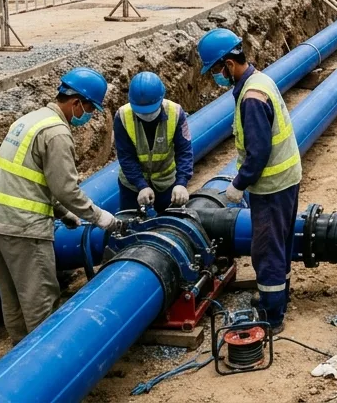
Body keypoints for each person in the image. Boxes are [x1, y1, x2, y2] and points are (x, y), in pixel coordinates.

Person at [0, 67, 119, 341]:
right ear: (77, 102)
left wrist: (62, 213)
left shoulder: (30, 120)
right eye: (89, 108)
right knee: (40, 300)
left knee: (13, 299)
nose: (88, 117)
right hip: (23, 228)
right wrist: (99, 217)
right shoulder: (56, 133)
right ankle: (44, 367)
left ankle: (19, 363)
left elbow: (31, 178)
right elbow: (66, 189)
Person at [197, 28, 302, 332]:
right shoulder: (260, 80)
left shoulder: (252, 98)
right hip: (285, 180)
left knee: (267, 250)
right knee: (280, 244)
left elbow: (257, 153)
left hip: (271, 186)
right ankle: (278, 299)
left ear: (229, 64)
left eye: (216, 70)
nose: (216, 77)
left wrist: (237, 184)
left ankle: (271, 316)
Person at [114, 72, 193, 214]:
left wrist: (181, 182)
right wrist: (140, 185)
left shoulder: (175, 113)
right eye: (141, 112)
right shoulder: (122, 116)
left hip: (166, 182)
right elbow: (126, 156)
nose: (146, 115)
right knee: (130, 227)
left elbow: (184, 151)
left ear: (161, 99)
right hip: (132, 186)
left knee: (170, 224)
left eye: (150, 110)